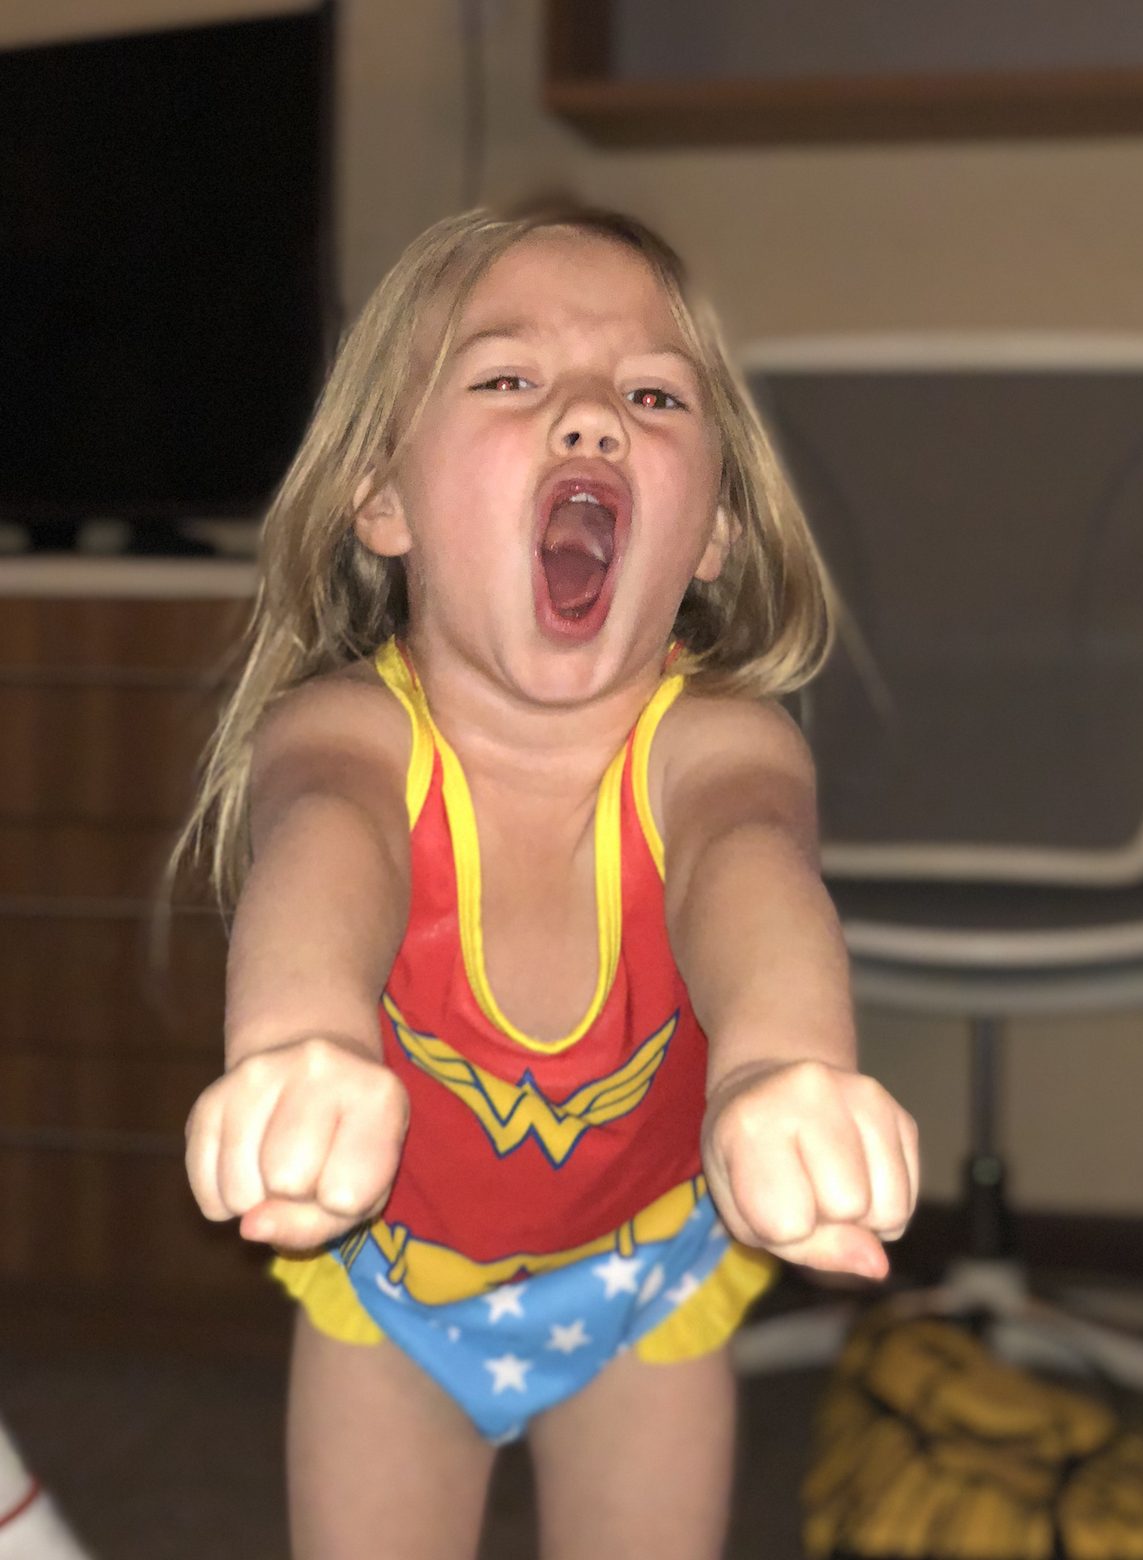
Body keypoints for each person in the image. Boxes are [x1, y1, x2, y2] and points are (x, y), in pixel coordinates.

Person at [180, 204, 918, 1560]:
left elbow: (746, 863)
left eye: (653, 396)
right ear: (383, 498)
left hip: (647, 1283)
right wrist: (298, 1037)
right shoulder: (347, 736)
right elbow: (324, 840)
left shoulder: (723, 745)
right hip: (396, 1299)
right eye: (510, 377)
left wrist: (781, 1065)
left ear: (713, 535)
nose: (590, 418)